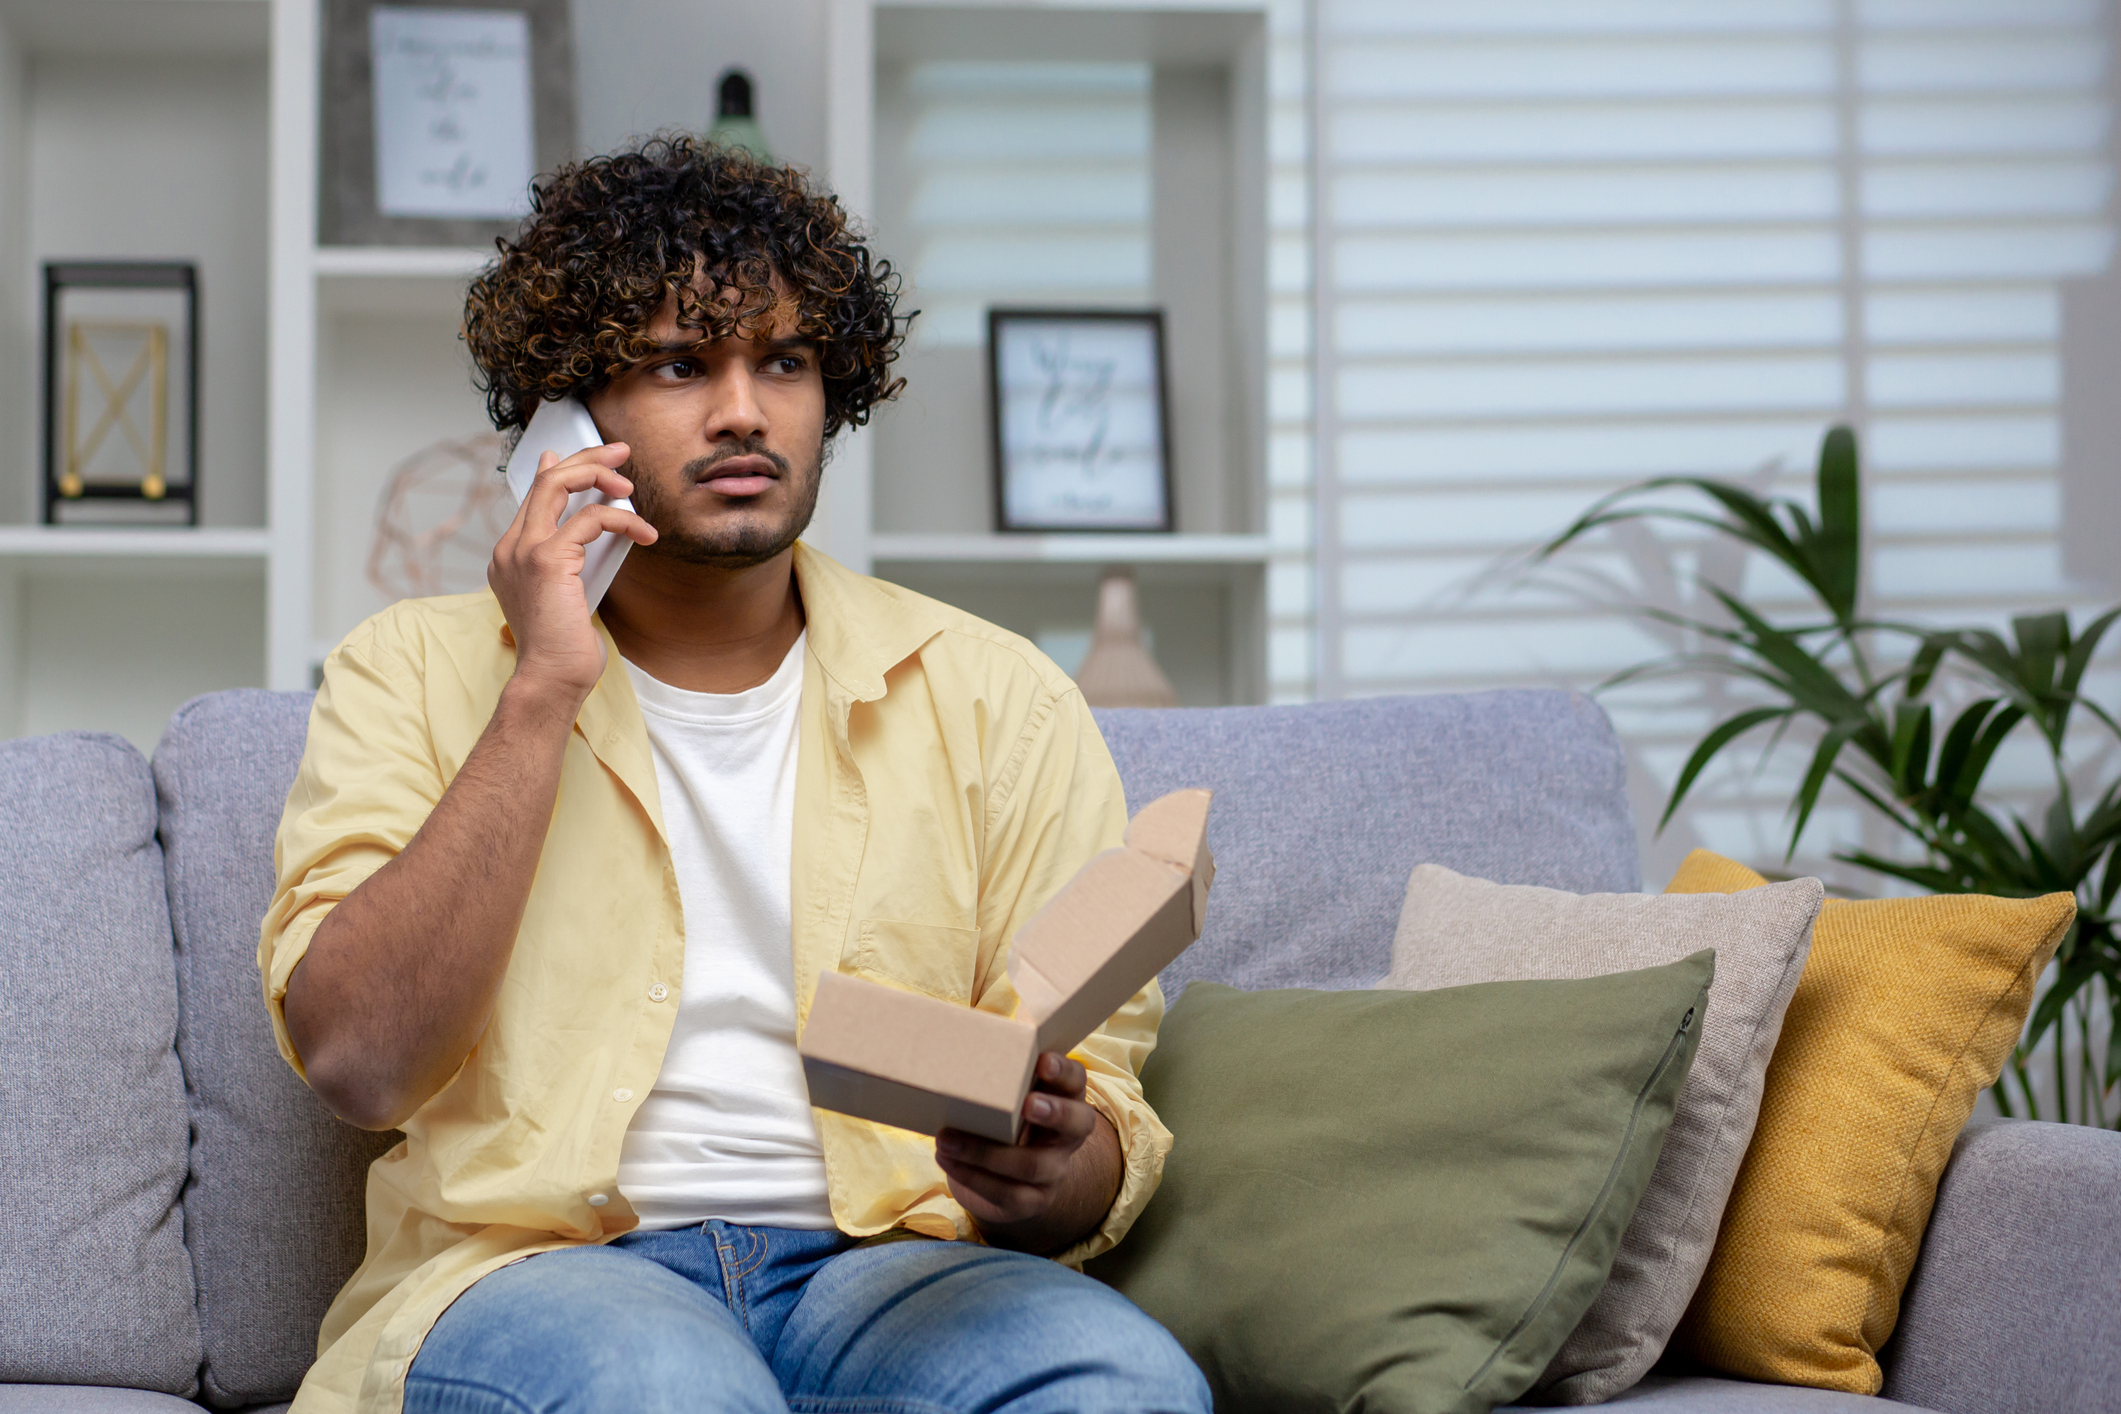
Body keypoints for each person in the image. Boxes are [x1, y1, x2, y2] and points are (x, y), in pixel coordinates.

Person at [260, 136, 1207, 1414]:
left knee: (1122, 1380)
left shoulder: (999, 697)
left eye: (786, 360)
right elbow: (359, 1058)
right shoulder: (413, 673)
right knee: (671, 1388)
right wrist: (541, 686)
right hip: (548, 1272)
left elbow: (1100, 1117)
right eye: (677, 364)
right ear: (571, 416)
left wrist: (1060, 1167)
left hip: (891, 1271)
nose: (745, 410)